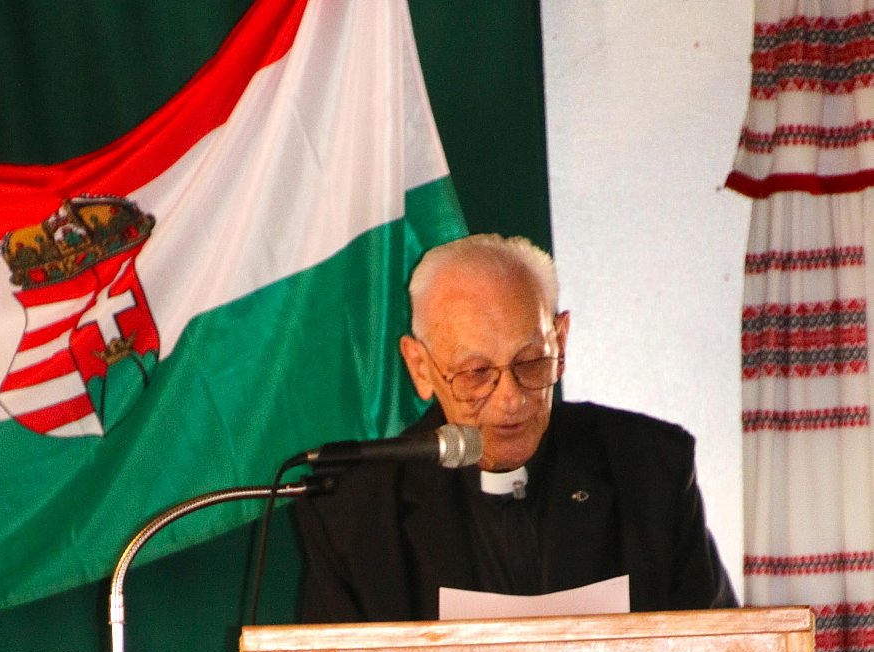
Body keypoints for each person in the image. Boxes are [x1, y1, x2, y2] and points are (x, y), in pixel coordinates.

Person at [297, 233, 736, 623]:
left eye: (531, 362)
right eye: (475, 373)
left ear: (560, 342)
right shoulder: (355, 515)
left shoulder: (650, 470)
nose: (511, 398)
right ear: (421, 367)